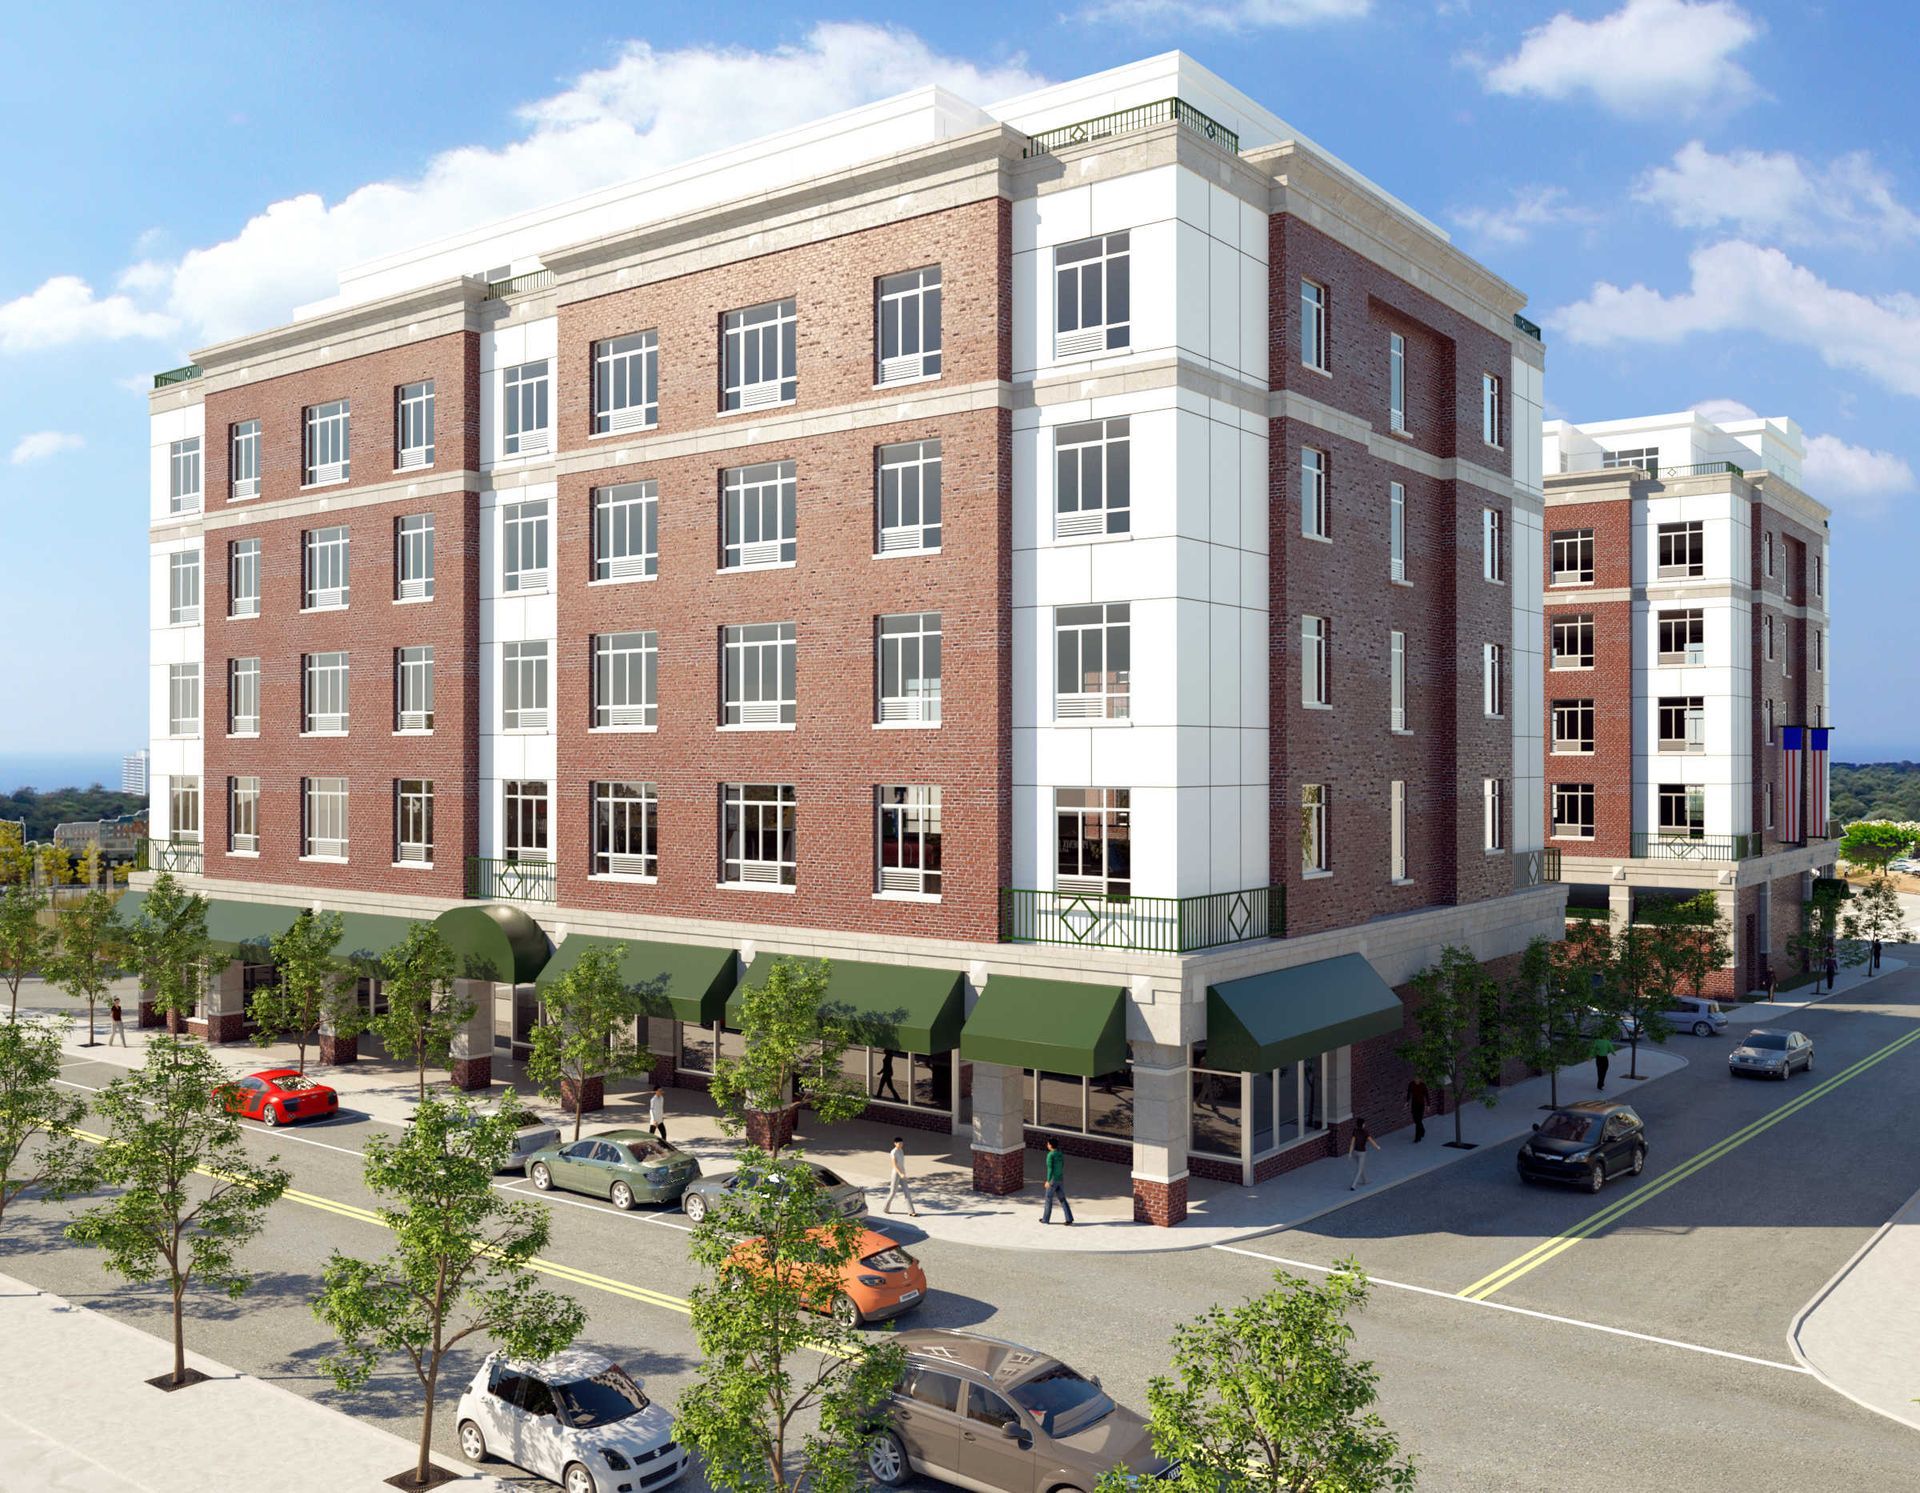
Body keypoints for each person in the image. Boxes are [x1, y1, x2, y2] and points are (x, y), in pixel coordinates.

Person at [1040, 1137, 1074, 1226]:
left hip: (1052, 1180)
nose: (1047, 1145)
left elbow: (1050, 1169)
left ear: (1050, 1145)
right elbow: (1062, 1165)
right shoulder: (1060, 1154)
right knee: (1062, 1199)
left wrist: (1048, 1180)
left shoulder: (1050, 1155)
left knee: (1048, 1199)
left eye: (1048, 1144)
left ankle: (1045, 1219)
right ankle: (1069, 1218)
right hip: (1060, 1179)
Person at [883, 1136, 918, 1217]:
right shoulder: (893, 1152)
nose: (901, 1144)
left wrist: (904, 1173)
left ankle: (911, 1211)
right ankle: (886, 1208)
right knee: (893, 1192)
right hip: (896, 1173)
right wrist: (900, 1173)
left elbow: (902, 1163)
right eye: (899, 1143)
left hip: (902, 1173)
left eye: (902, 1143)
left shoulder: (901, 1150)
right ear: (895, 1143)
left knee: (907, 1192)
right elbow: (894, 1165)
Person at [1349, 1117, 1380, 1190]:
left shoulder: (1355, 1131)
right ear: (1363, 1124)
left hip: (1355, 1152)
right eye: (1364, 1123)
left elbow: (1352, 1143)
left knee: (1361, 1166)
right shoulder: (1365, 1132)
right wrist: (1377, 1147)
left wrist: (1350, 1153)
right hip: (1362, 1152)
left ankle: (1365, 1180)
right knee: (1359, 1169)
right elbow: (1371, 1140)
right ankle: (1353, 1185)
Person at [1406, 1078, 1429, 1143]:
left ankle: (1417, 1137)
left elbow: (1427, 1095)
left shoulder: (1423, 1085)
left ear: (1420, 1079)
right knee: (1416, 1120)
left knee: (1418, 1120)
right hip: (1414, 1104)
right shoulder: (1411, 1084)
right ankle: (1422, 1130)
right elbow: (1409, 1093)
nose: (1417, 1080)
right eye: (1415, 1079)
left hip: (1421, 1105)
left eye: (1418, 1079)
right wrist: (1407, 1102)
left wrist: (1428, 1105)